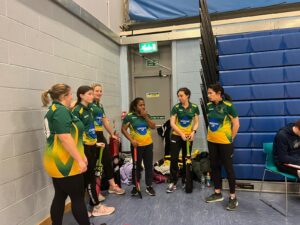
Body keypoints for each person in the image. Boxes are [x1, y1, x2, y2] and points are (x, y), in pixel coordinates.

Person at [41, 84, 90, 225]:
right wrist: (79, 159)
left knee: (60, 195)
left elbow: (72, 136)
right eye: (70, 95)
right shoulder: (60, 111)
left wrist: (81, 154)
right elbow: (65, 138)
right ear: (63, 97)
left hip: (57, 160)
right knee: (77, 198)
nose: (71, 98)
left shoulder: (57, 109)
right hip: (64, 162)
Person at [72, 86, 115, 217]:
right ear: (81, 95)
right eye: (89, 94)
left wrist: (95, 143)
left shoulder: (89, 108)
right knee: (89, 178)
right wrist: (83, 149)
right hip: (84, 148)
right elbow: (76, 133)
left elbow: (89, 128)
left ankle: (90, 206)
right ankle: (96, 207)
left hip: (91, 145)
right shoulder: (77, 110)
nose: (93, 96)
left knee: (89, 178)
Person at [204, 83, 240, 211]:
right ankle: (218, 193)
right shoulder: (208, 106)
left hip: (225, 143)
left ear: (219, 93)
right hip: (211, 141)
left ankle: (232, 197)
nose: (208, 96)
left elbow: (236, 124)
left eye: (210, 93)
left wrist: (231, 138)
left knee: (229, 169)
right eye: (208, 93)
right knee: (214, 166)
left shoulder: (229, 106)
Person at [91, 83, 125, 199]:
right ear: (91, 92)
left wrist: (111, 134)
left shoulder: (100, 106)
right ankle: (96, 191)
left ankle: (112, 186)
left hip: (100, 135)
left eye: (100, 91)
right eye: (97, 91)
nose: (99, 93)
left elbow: (105, 121)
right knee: (95, 164)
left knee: (106, 160)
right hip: (91, 136)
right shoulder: (86, 105)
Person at [166, 87, 199, 193]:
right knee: (174, 159)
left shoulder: (194, 107)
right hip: (176, 136)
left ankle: (185, 180)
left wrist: (193, 131)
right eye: (178, 96)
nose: (179, 98)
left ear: (187, 95)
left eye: (181, 95)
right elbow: (172, 123)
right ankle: (173, 182)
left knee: (186, 159)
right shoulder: (176, 107)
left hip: (188, 137)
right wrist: (181, 134)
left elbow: (196, 122)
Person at [121, 97, 156, 196]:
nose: (143, 106)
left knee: (149, 165)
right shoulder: (130, 116)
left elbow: (153, 126)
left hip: (148, 145)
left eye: (143, 104)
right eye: (140, 105)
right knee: (136, 166)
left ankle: (149, 186)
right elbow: (123, 129)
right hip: (137, 146)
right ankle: (136, 186)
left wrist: (145, 117)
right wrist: (131, 140)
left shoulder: (147, 115)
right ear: (135, 106)